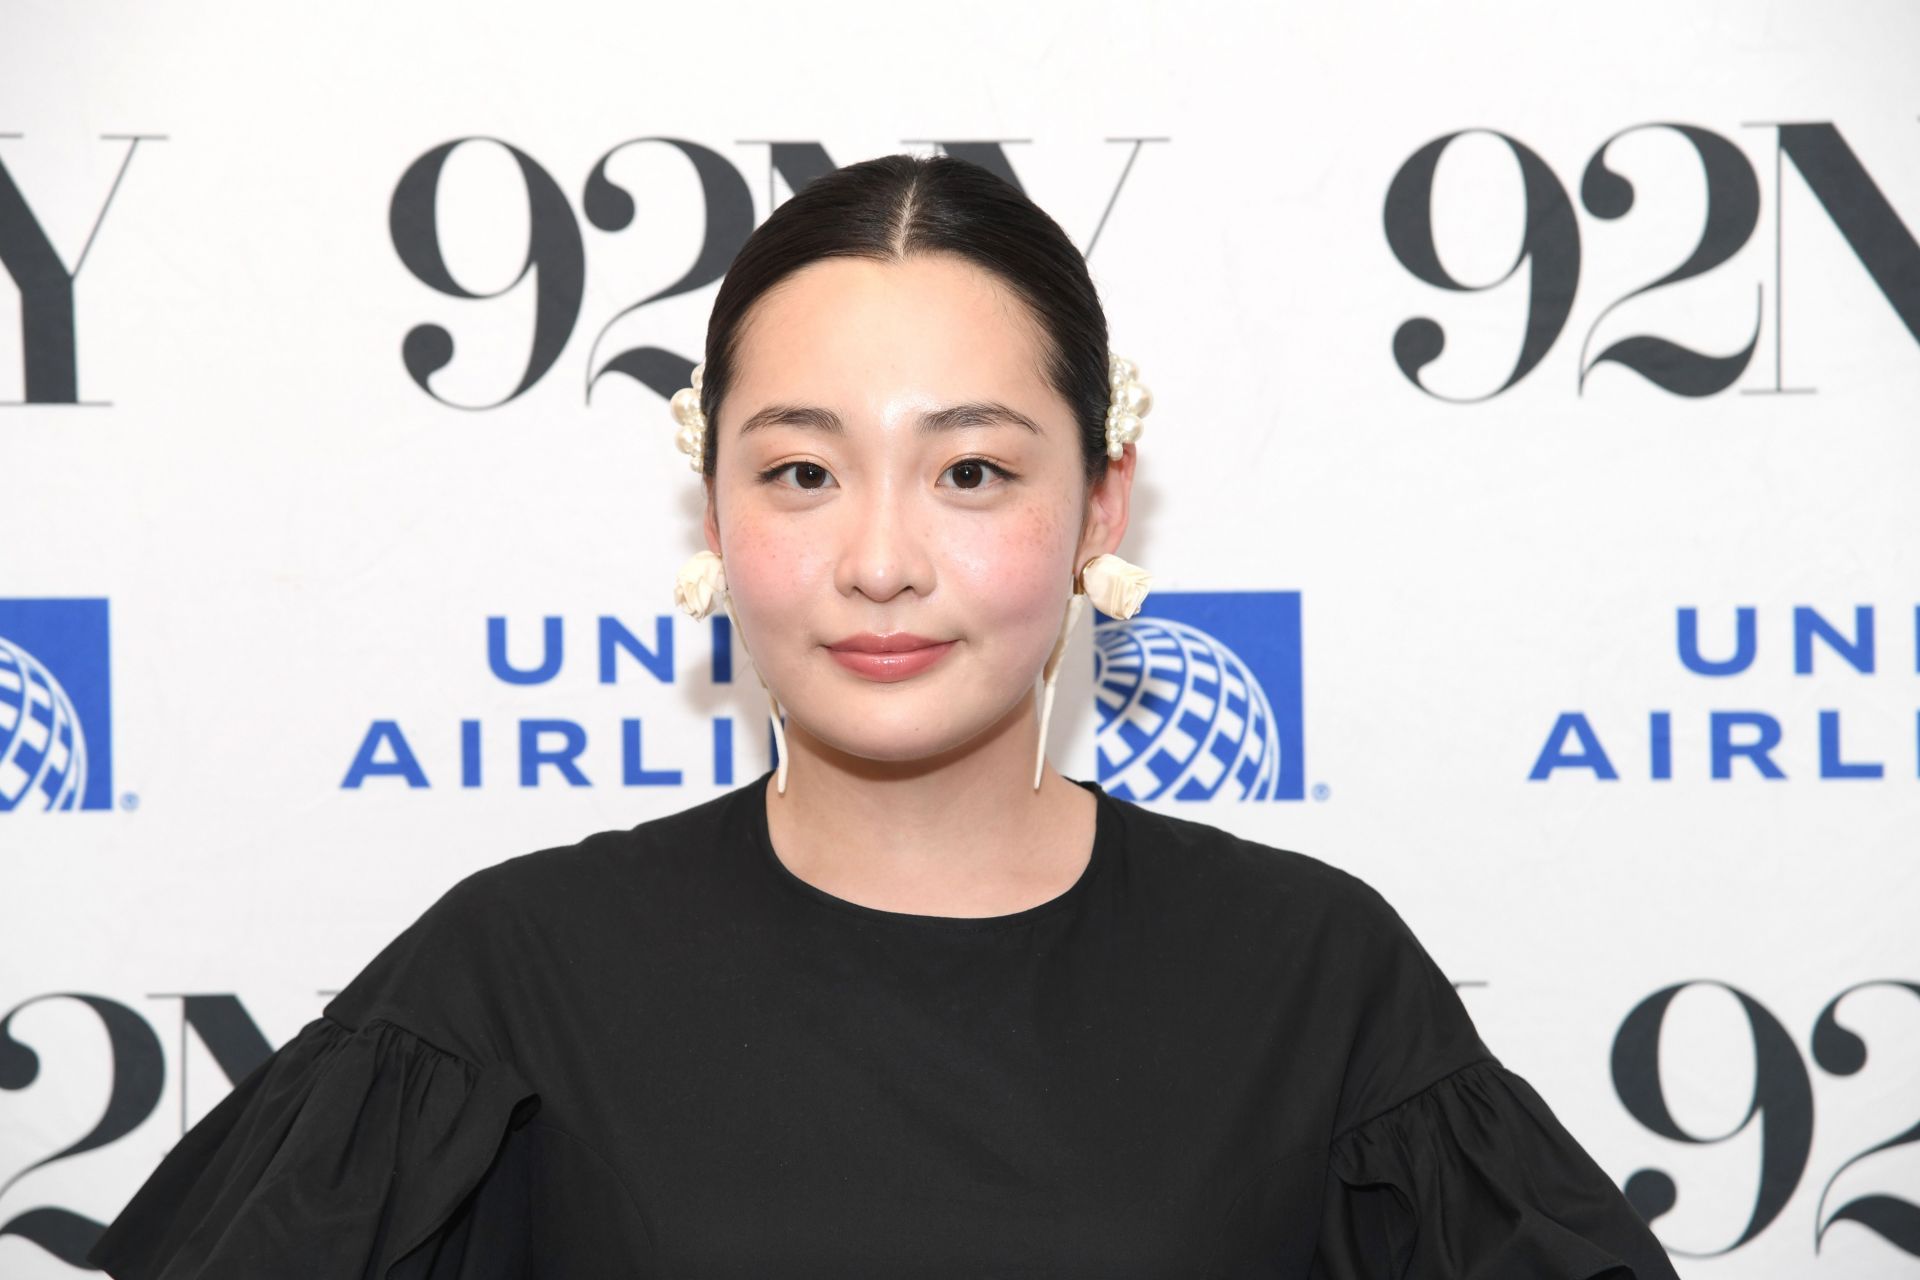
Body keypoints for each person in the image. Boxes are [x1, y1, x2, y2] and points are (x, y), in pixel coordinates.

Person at [88, 153, 1680, 1279]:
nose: (880, 560)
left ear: (1101, 502)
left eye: (970, 470)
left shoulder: (1313, 980)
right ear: (715, 510)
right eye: (802, 471)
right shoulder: (514, 980)